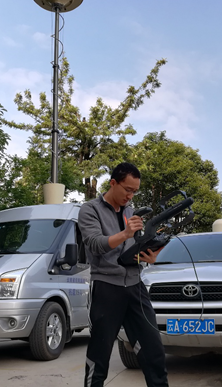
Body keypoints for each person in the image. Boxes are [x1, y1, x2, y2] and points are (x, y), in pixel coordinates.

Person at [78, 162, 168, 387]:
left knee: (154, 350)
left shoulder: (131, 212)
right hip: (106, 286)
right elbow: (95, 244)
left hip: (135, 286)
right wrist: (125, 233)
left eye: (134, 191)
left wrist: (148, 256)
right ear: (113, 183)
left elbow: (132, 248)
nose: (130, 196)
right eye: (128, 190)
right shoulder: (90, 209)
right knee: (100, 353)